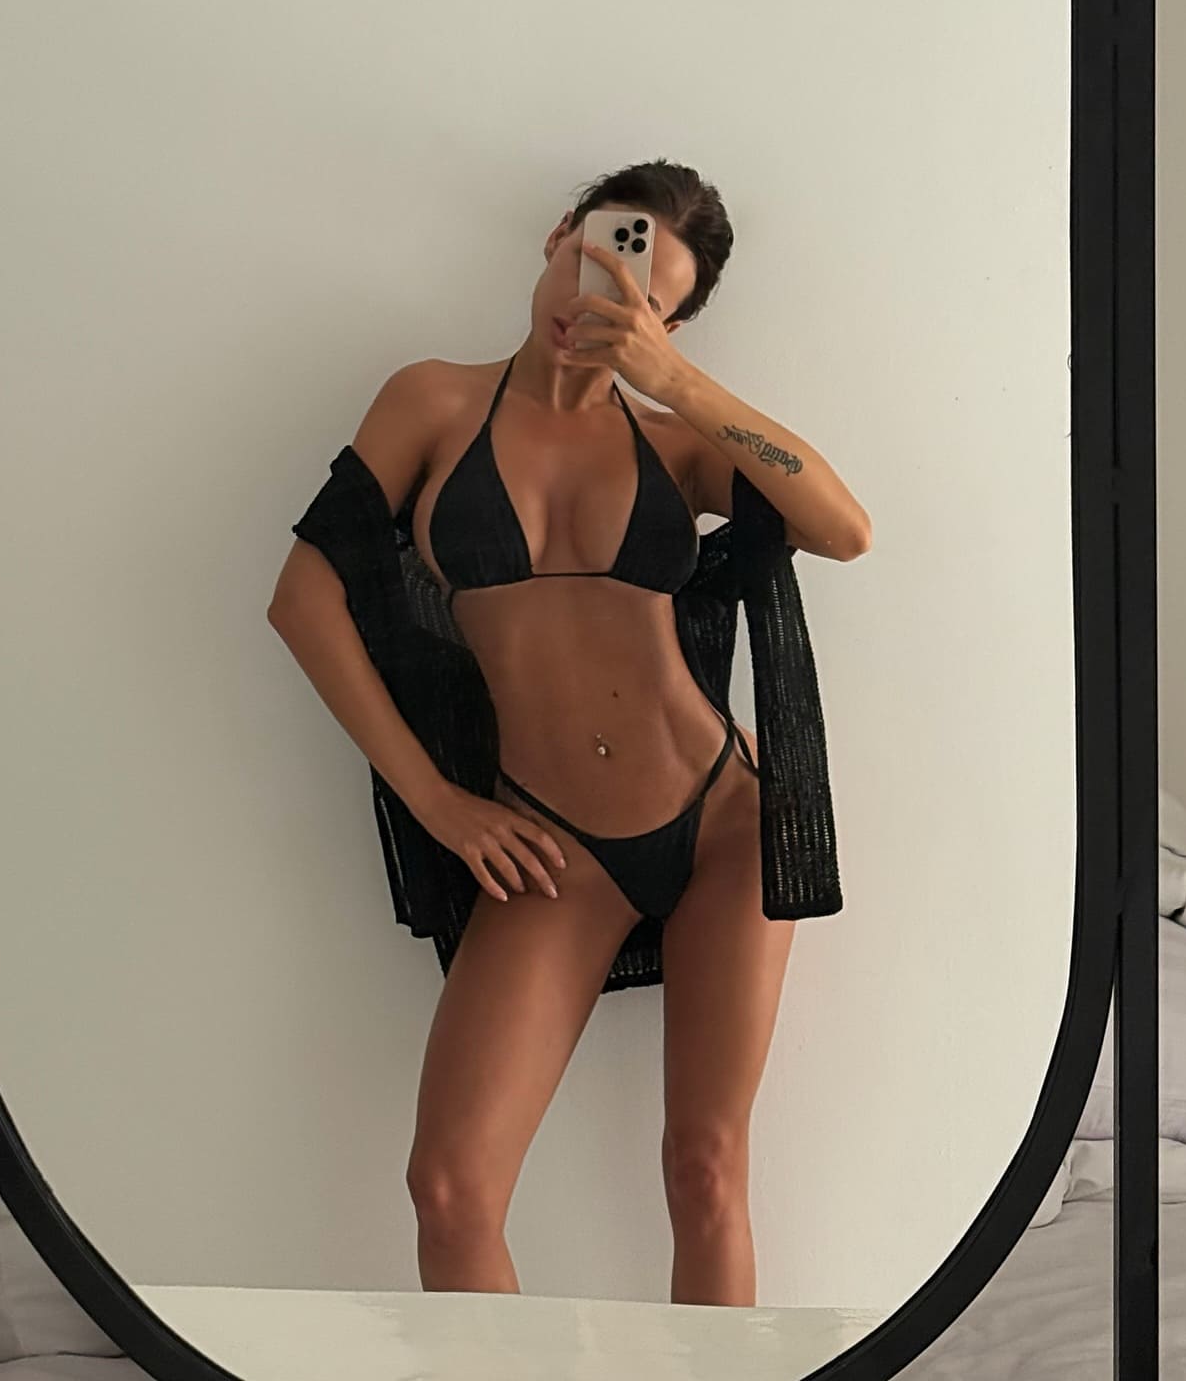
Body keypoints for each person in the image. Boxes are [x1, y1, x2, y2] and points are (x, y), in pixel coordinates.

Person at [269, 159, 871, 1306]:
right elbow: (305, 600)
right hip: (553, 845)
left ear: (667, 323)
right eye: (597, 255)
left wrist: (676, 383)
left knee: (705, 1168)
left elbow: (843, 529)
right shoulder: (430, 403)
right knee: (451, 1190)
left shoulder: (676, 444)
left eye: (642, 293)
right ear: (559, 236)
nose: (597, 294)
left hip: (721, 823)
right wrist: (439, 805)